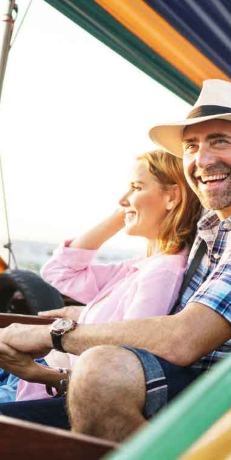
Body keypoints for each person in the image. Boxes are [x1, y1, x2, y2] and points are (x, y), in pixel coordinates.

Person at [0, 80, 231, 442]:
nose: (202, 160)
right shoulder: (214, 223)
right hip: (193, 380)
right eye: (191, 146)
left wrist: (52, 336)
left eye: (220, 141)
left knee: (100, 371)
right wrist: (82, 314)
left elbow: (185, 337)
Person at [0, 150, 202, 406]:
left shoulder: (162, 273)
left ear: (172, 196)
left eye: (136, 187)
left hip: (38, 385)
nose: (122, 199)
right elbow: (59, 272)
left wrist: (40, 374)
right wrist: (125, 212)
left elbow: (121, 361)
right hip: (22, 372)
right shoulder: (141, 266)